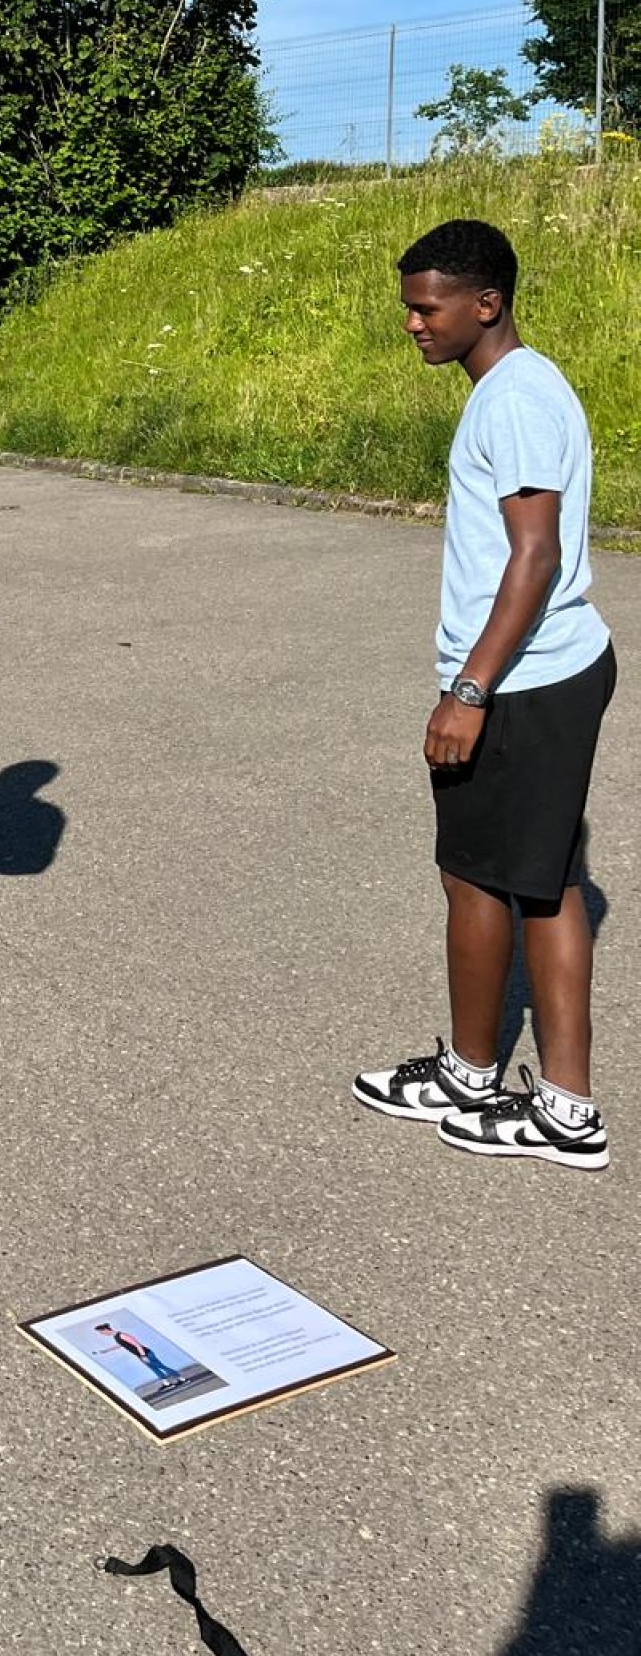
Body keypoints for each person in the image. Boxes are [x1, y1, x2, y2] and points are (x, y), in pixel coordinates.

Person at [354, 219, 616, 1170]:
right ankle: (471, 1073)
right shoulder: (513, 389)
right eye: (410, 308)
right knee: (497, 876)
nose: (414, 325)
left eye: (428, 309)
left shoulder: (514, 400)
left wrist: (469, 690)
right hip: (530, 674)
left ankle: (565, 1113)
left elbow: (534, 558)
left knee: (523, 887)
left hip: (525, 680)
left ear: (486, 303)